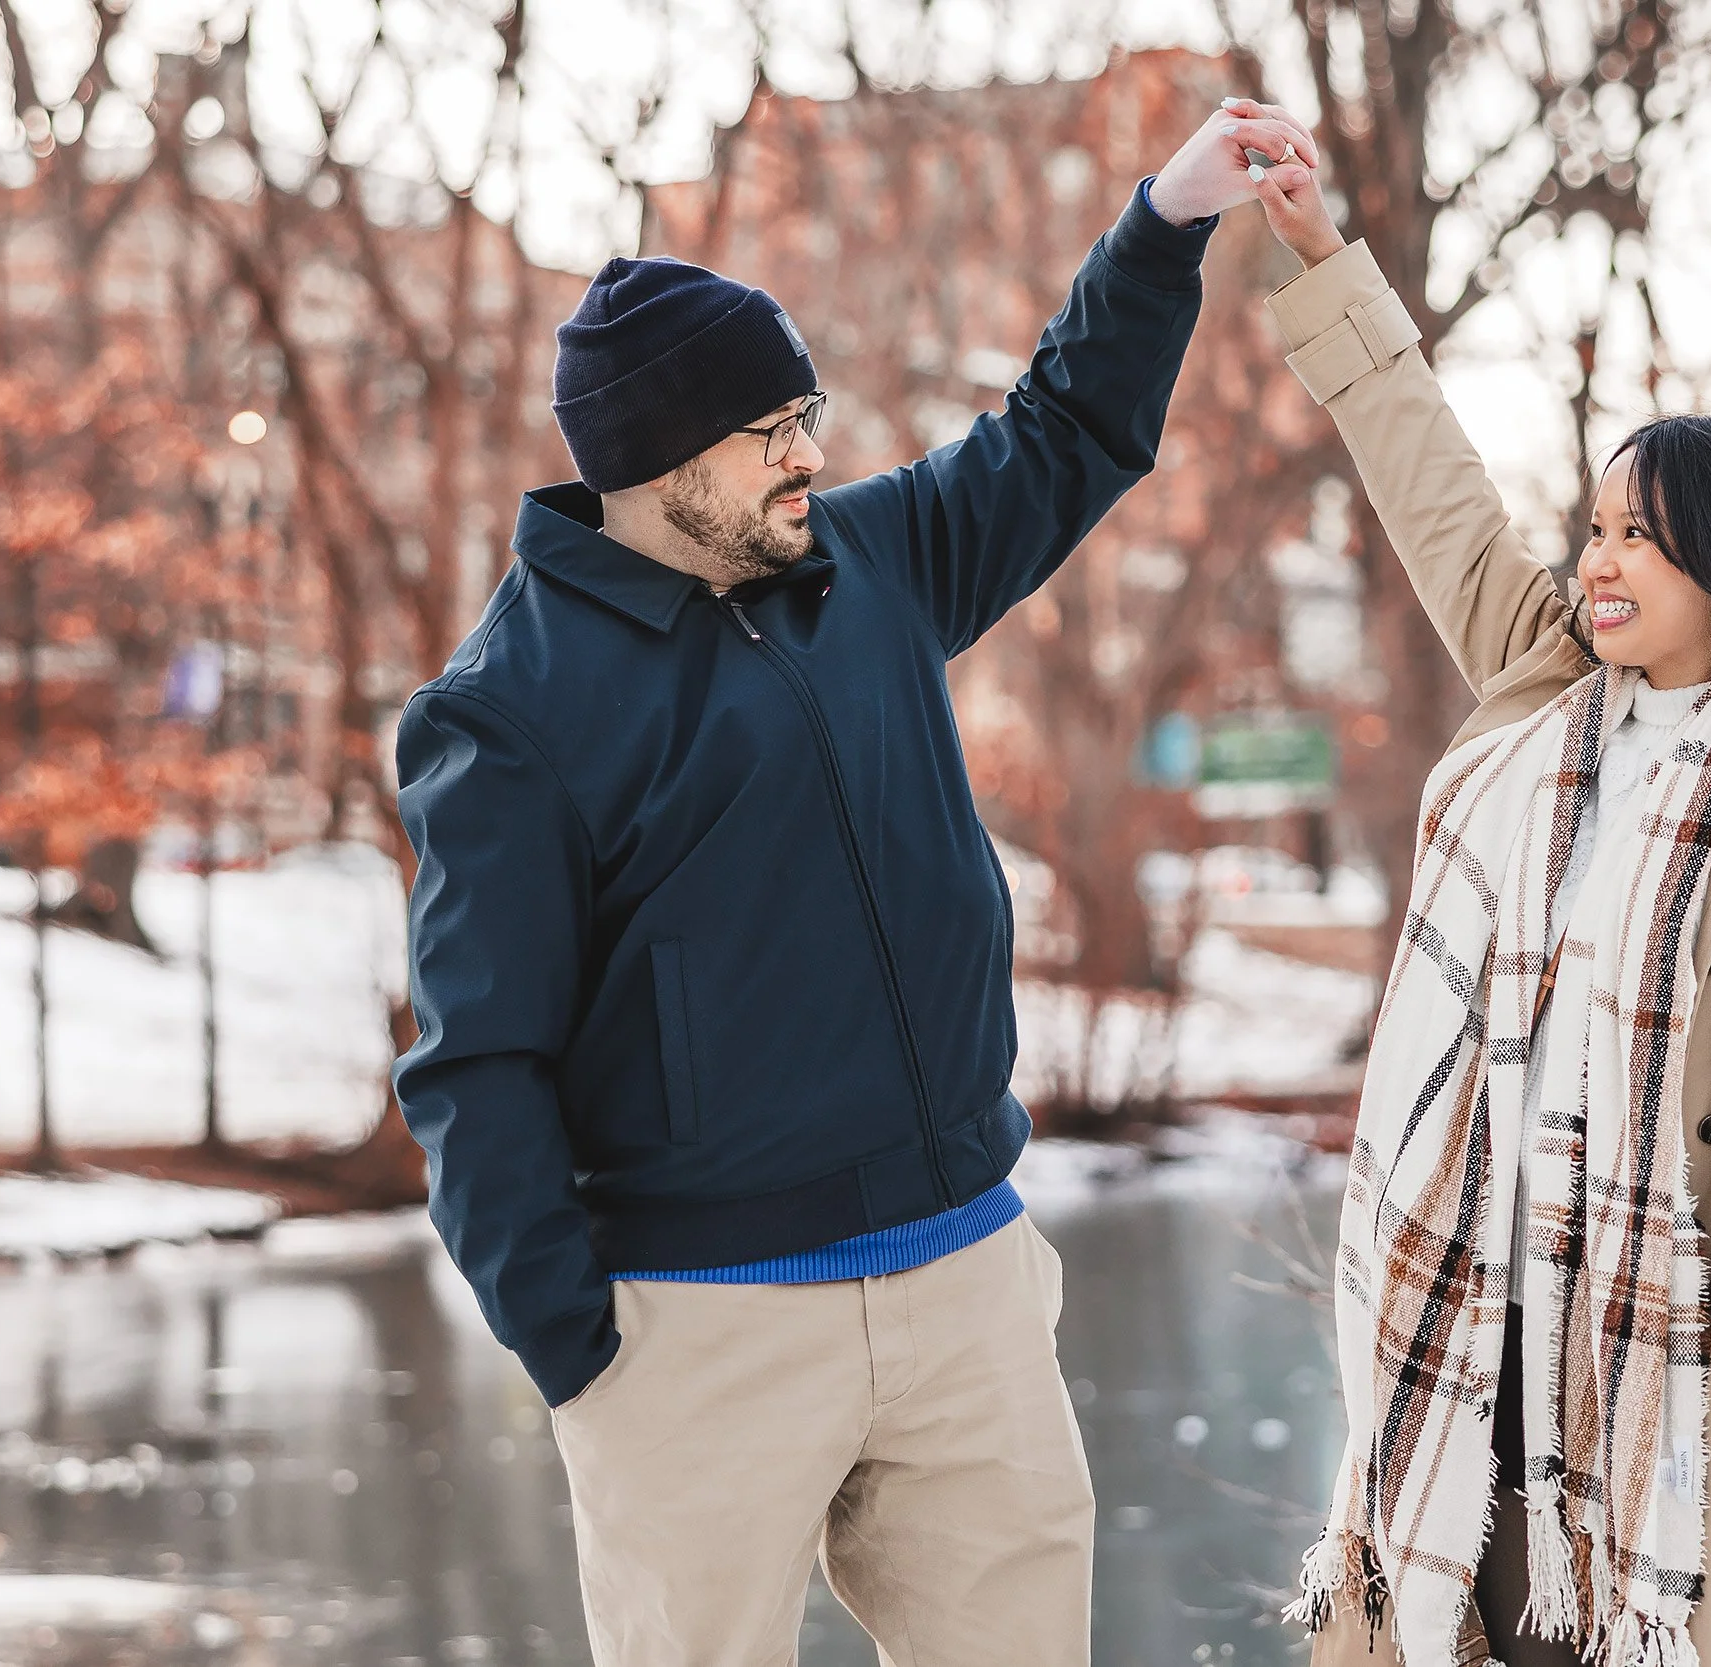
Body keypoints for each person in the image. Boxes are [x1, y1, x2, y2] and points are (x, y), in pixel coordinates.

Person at [391, 103, 1321, 1667]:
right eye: (770, 430)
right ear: (660, 456)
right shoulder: (509, 711)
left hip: (964, 1284)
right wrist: (584, 1351)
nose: (810, 455)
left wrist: (1163, 226)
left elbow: (1062, 432)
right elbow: (476, 1063)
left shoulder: (864, 566)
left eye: (805, 415)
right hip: (702, 1329)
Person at [1244, 133, 1711, 1667]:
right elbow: (1431, 483)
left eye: (1643, 534)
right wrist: (1321, 259)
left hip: (1674, 1364)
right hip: (1470, 1340)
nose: (1602, 560)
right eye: (1597, 528)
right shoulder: (1543, 695)